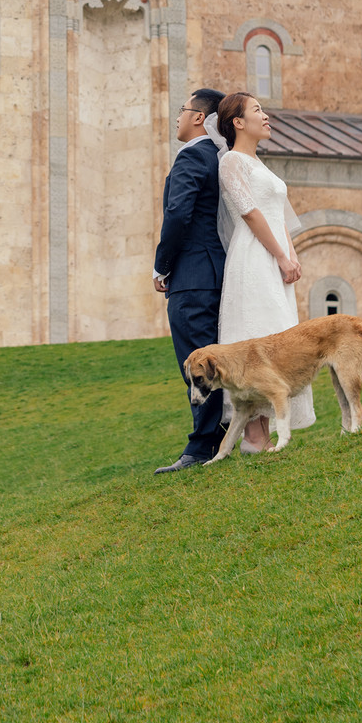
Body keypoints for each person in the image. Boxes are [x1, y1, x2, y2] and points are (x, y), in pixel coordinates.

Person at [214, 90, 316, 450]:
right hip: (254, 256)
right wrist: (278, 255)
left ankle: (269, 427)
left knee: (279, 332)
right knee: (255, 330)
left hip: (274, 256)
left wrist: (290, 254)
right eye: (258, 110)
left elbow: (277, 214)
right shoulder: (232, 162)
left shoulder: (261, 164)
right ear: (238, 122)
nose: (266, 116)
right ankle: (253, 433)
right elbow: (250, 213)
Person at [152, 88, 228, 472]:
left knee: (198, 362)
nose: (178, 116)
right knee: (214, 357)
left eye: (183, 110)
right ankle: (221, 435)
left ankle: (201, 447)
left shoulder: (191, 158)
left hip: (192, 277)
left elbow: (178, 215)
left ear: (198, 118)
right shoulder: (218, 158)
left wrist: (161, 265)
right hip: (216, 272)